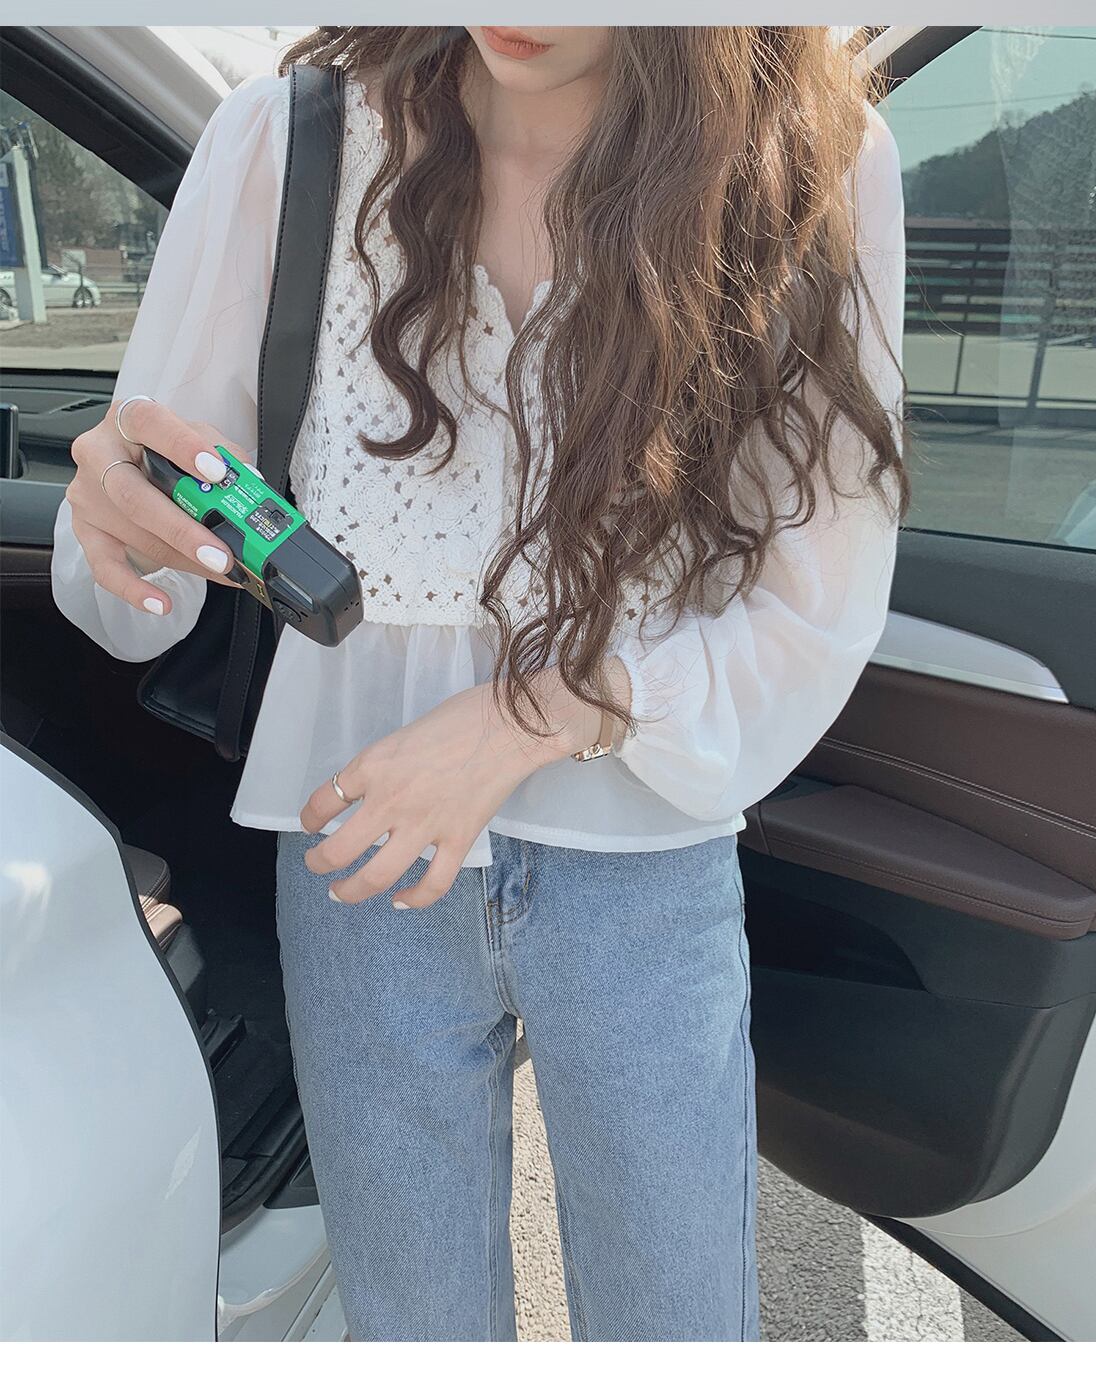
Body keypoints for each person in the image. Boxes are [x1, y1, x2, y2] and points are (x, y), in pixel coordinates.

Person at [51, 25, 908, 1342]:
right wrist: (119, 519)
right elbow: (126, 584)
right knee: (415, 1334)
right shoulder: (288, 140)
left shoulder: (803, 158)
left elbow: (818, 603)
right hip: (357, 846)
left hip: (640, 851)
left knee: (679, 1331)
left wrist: (519, 718)